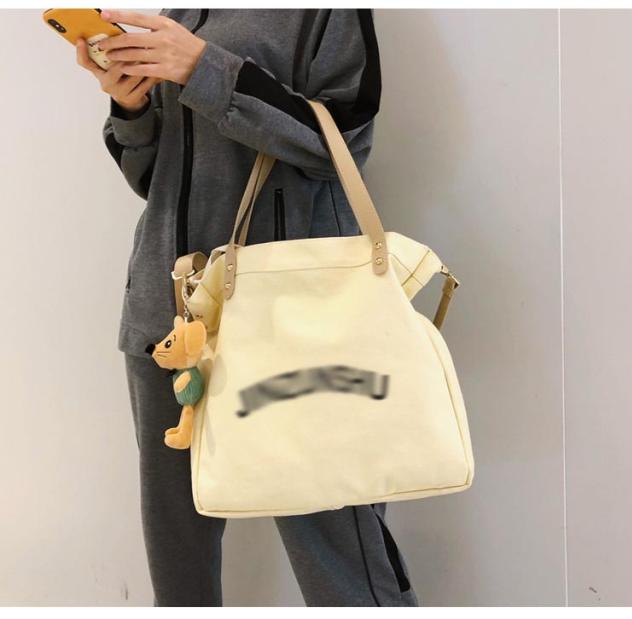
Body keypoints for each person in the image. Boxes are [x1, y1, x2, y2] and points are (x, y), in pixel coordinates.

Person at [76, 8, 419, 607]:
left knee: (338, 540)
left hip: (290, 318)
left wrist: (204, 68)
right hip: (168, 316)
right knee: (178, 561)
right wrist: (130, 107)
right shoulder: (183, 12)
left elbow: (342, 145)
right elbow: (153, 178)